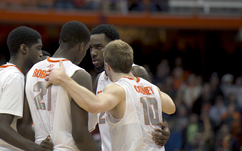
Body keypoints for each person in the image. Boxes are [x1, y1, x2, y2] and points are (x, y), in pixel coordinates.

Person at [46, 40, 176, 150]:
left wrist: (64, 78)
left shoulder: (117, 89)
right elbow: (171, 108)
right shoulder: (152, 88)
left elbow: (94, 105)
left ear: (107, 66)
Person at [88, 24, 170, 150]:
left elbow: (153, 111)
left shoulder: (137, 73)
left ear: (114, 47)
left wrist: (164, 128)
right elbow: (90, 121)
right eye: (91, 48)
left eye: (99, 47)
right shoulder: (99, 79)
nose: (93, 53)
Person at [25, 21, 99, 150]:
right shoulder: (79, 75)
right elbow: (80, 135)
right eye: (87, 49)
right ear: (81, 47)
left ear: (60, 42)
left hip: (40, 146)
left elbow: (23, 125)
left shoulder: (31, 71)